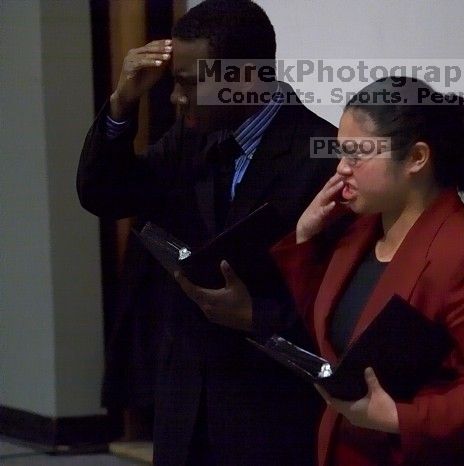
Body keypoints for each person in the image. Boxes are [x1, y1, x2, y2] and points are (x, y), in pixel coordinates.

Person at [77, 0, 337, 464]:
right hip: (185, 404)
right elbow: (105, 196)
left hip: (268, 413)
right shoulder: (192, 136)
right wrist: (121, 103)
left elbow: (339, 304)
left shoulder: (321, 155)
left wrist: (257, 314)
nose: (176, 98)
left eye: (188, 83)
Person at [267, 77, 464, 465]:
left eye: (356, 156)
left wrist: (398, 418)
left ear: (416, 159)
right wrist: (305, 237)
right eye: (341, 153)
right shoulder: (359, 232)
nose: (341, 169)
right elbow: (333, 333)